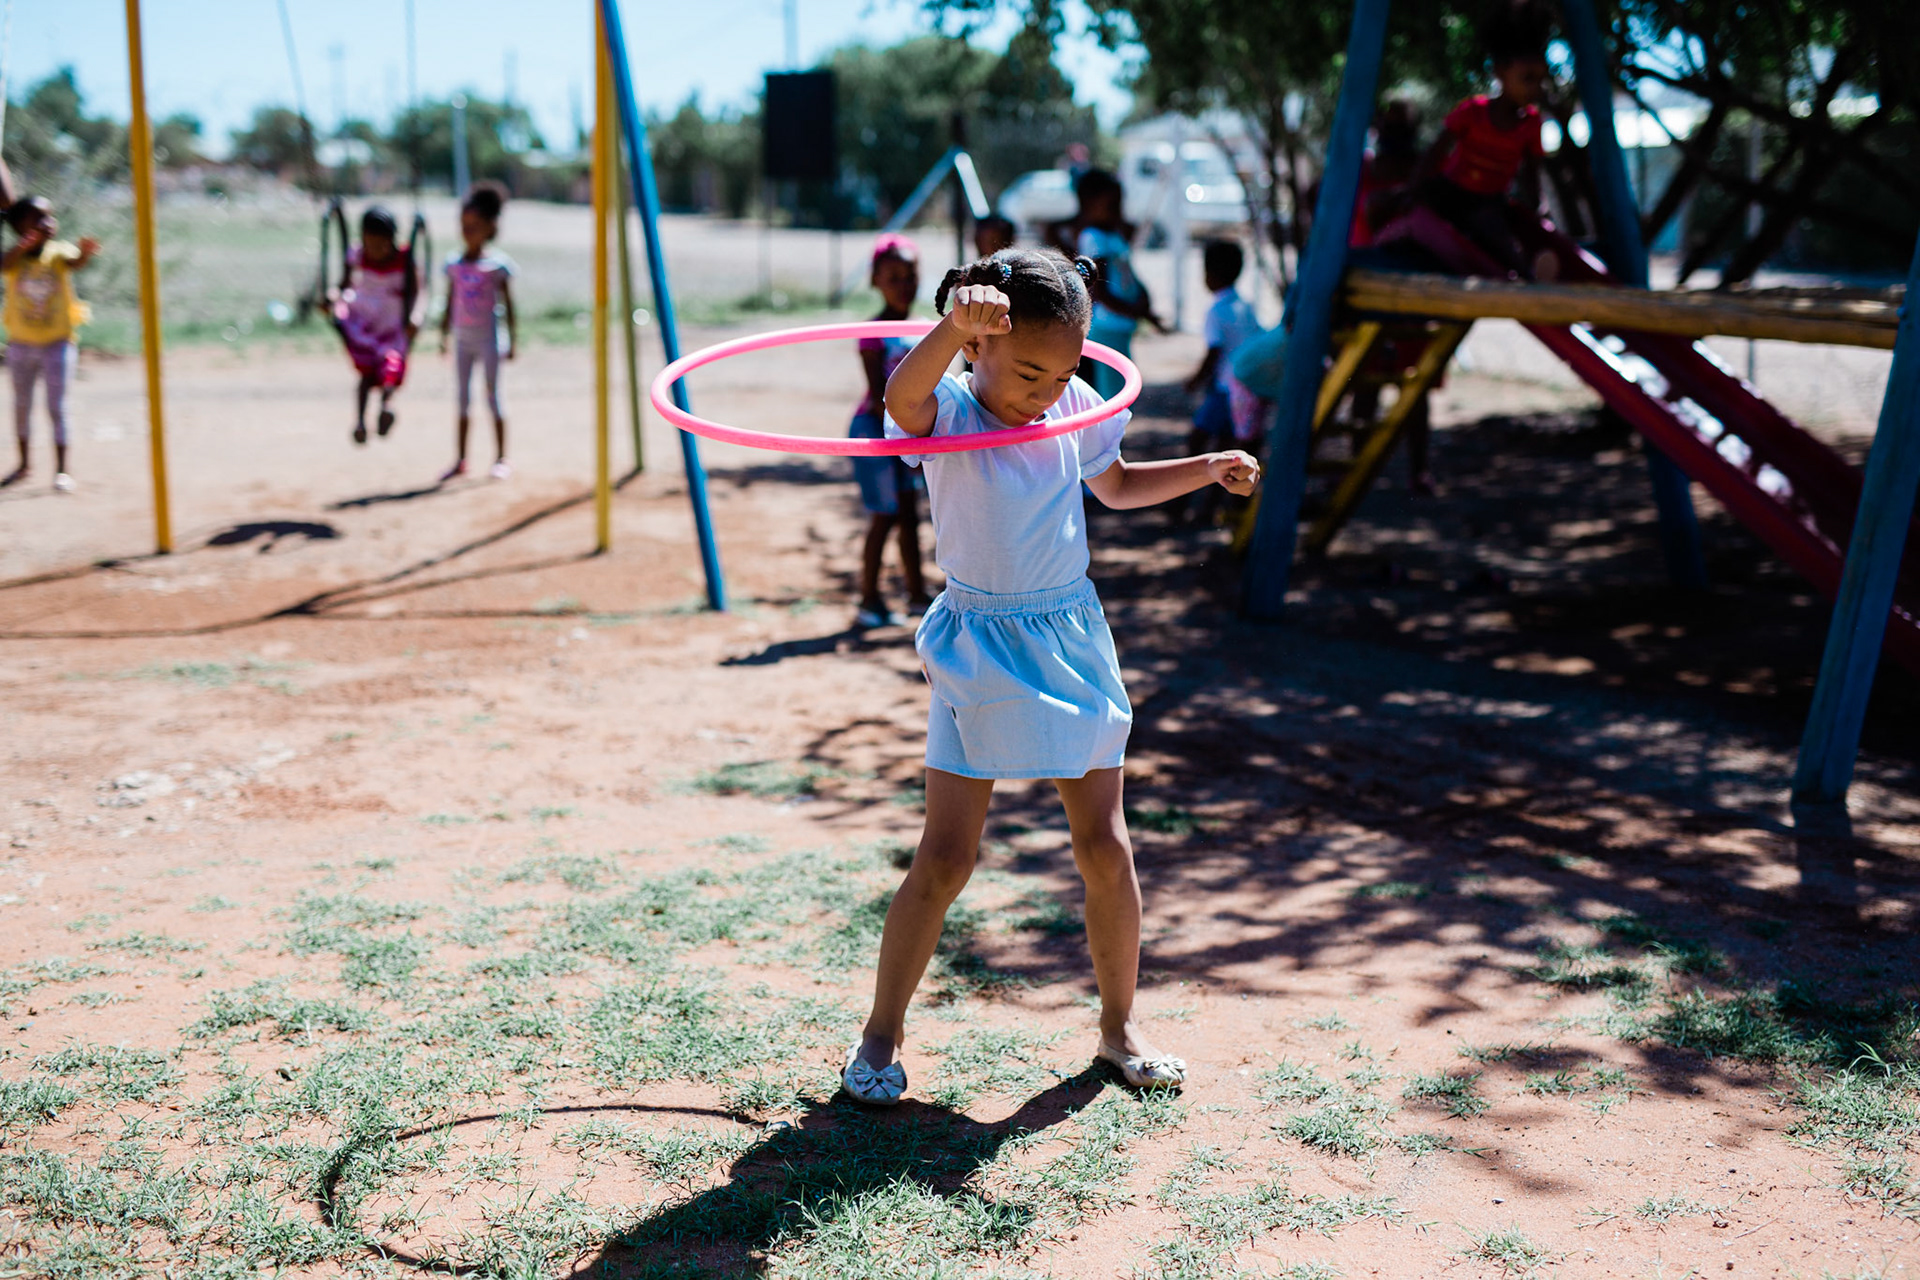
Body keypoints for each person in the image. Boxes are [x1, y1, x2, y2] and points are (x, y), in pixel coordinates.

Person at [840, 248, 1260, 1106]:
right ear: (975, 347)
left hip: (1069, 637)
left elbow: (1117, 485)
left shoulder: (1073, 408)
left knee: (1104, 844)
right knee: (947, 855)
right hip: (978, 644)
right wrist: (950, 324)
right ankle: (881, 1032)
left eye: (1062, 372)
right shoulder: (949, 411)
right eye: (1029, 371)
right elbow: (900, 399)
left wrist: (1206, 467)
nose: (1046, 391)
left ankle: (1119, 1029)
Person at [1414, 2, 1554, 279]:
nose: (1536, 88)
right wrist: (1414, 189)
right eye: (1528, 78)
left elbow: (1531, 173)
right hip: (1451, 192)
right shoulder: (1473, 111)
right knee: (1391, 203)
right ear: (1500, 72)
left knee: (1493, 225)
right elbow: (1435, 152)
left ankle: (1527, 272)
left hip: (1490, 201)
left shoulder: (1531, 123)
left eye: (1541, 80)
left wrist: (1539, 207)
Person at [849, 233, 931, 627]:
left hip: (908, 432)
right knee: (885, 514)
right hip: (877, 430)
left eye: (909, 275)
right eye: (893, 277)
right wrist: (909, 433)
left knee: (910, 514)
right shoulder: (873, 330)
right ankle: (869, 599)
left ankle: (916, 594)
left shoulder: (924, 329)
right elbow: (880, 394)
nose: (903, 285)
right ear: (876, 281)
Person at [2, 197, 98, 493]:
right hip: (21, 344)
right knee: (22, 405)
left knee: (57, 406)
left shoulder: (58, 252)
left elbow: (74, 263)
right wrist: (22, 247)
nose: (49, 223)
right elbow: (4, 266)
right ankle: (24, 464)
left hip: (58, 343)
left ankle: (61, 470)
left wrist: (84, 253)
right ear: (21, 226)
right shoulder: (15, 258)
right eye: (39, 218)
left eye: (50, 217)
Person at [439, 183, 517, 482]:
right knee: (462, 399)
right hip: (463, 341)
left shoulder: (497, 266)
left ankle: (501, 458)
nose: (467, 231)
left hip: (489, 341)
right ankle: (460, 460)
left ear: (489, 228)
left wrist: (513, 341)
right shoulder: (454, 265)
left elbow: (509, 306)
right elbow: (449, 302)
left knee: (493, 396)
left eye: (474, 226)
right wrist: (443, 336)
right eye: (464, 225)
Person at [332, 206, 424, 446]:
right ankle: (360, 421)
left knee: (390, 365)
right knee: (366, 373)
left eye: (381, 245)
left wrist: (416, 316)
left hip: (392, 323)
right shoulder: (357, 254)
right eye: (370, 244)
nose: (375, 250)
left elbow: (418, 292)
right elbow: (343, 285)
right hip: (365, 321)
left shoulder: (404, 259)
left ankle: (386, 406)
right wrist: (333, 298)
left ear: (392, 240)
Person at [1072, 169, 1164, 398]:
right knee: (1113, 393)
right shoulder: (1093, 237)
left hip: (1119, 324)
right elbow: (1100, 289)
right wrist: (1135, 310)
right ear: (1088, 204)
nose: (1118, 211)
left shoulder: (1112, 234)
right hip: (1107, 324)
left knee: (1118, 384)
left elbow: (1126, 273)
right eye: (1111, 205)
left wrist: (1142, 302)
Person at [1185, 239, 1264, 455]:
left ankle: (1189, 477)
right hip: (1245, 385)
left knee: (1198, 437)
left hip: (1224, 387)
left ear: (1210, 274)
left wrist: (1196, 379)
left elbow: (1214, 351)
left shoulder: (1216, 311)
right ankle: (1217, 479)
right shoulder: (1246, 306)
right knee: (1226, 441)